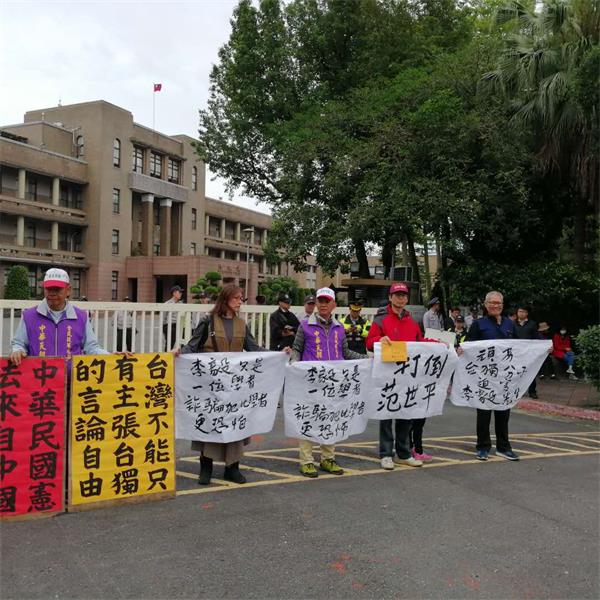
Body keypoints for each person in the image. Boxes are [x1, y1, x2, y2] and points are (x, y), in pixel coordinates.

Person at [178, 284, 273, 485]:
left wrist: (278, 355)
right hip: (210, 385)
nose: (240, 302)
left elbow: (254, 348)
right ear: (225, 299)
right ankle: (206, 467)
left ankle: (232, 468)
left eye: (241, 298)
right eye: (236, 298)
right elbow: (192, 346)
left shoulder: (241, 324)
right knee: (208, 423)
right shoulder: (208, 321)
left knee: (233, 424)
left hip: (234, 387)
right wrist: (178, 353)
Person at [290, 287, 365, 477]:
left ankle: (328, 458)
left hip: (334, 383)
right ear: (316, 303)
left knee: (331, 419)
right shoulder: (305, 325)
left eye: (326, 301)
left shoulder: (339, 328)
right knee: (308, 418)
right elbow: (297, 348)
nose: (323, 304)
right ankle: (307, 460)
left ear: (334, 305)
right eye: (320, 301)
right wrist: (294, 363)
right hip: (311, 382)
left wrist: (367, 359)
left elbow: (346, 353)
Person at [366, 282, 428, 469]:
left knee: (405, 414)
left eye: (404, 295)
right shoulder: (380, 319)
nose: (401, 298)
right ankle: (386, 454)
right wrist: (380, 339)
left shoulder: (411, 321)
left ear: (407, 299)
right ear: (390, 298)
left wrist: (440, 343)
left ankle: (403, 453)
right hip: (387, 375)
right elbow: (369, 342)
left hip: (407, 376)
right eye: (397, 295)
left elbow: (421, 342)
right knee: (386, 415)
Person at [10, 268, 109, 366]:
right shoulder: (29, 316)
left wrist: (112, 356)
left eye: (57, 289)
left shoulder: (81, 317)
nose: (52, 293)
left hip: (71, 376)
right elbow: (19, 344)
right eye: (48, 289)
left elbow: (92, 348)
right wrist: (18, 351)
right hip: (39, 375)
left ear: (68, 290)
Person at [464, 290, 519, 461]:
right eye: (492, 303)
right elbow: (468, 346)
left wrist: (542, 348)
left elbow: (521, 345)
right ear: (486, 305)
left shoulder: (510, 324)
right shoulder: (478, 324)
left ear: (502, 305)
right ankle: (483, 447)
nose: (495, 306)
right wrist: (460, 350)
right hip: (485, 377)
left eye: (498, 303)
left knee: (503, 413)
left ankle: (504, 447)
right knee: (484, 414)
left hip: (504, 376)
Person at [513, 305, 540, 398]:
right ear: (517, 313)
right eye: (520, 311)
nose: (521, 313)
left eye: (524, 312)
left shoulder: (532, 324)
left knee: (530, 372)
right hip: (516, 352)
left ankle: (532, 391)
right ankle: (517, 391)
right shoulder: (512, 323)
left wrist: (544, 346)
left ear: (527, 313)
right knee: (517, 372)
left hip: (528, 352)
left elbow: (536, 337)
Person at [163, 285, 183, 350]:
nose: (181, 294)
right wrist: (164, 327)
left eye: (181, 292)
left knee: (183, 341)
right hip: (170, 325)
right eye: (179, 292)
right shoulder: (167, 303)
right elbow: (163, 316)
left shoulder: (181, 304)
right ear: (174, 293)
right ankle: (166, 355)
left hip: (179, 325)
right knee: (170, 343)